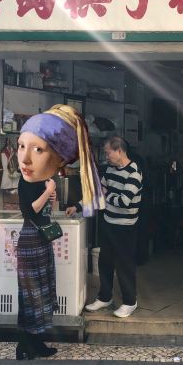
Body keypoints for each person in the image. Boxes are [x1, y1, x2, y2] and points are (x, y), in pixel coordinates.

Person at [15, 105, 104, 360]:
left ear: (58, 159)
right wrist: (47, 192)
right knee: (30, 296)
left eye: (37, 149)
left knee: (41, 294)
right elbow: (29, 210)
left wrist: (51, 197)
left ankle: (36, 344)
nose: (25, 159)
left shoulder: (42, 180)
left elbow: (44, 211)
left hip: (41, 242)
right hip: (30, 242)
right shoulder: (27, 181)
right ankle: (25, 346)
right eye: (22, 146)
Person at [66, 136, 143, 318]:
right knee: (105, 262)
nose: (106, 157)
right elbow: (97, 193)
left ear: (119, 151)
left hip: (125, 227)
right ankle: (105, 297)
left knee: (124, 265)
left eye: (108, 153)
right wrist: (77, 206)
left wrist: (106, 195)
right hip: (108, 222)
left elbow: (123, 202)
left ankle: (130, 302)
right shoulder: (110, 169)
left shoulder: (134, 173)